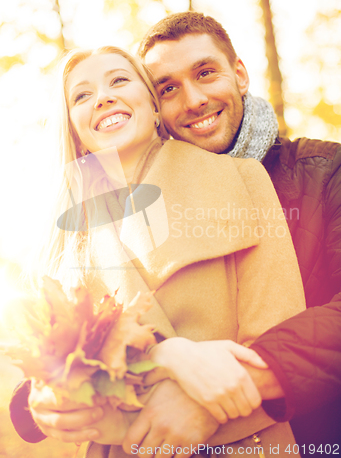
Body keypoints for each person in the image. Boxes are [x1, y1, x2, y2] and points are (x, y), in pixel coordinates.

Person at [9, 45, 306, 457]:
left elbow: (277, 341)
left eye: (119, 80)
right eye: (81, 95)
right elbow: (69, 382)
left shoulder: (241, 178)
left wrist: (185, 401)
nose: (103, 97)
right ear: (74, 128)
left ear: (153, 104)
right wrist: (165, 355)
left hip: (246, 443)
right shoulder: (64, 236)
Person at [135, 11, 341, 451]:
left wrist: (218, 394)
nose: (192, 100)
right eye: (167, 88)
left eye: (205, 73)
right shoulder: (146, 211)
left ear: (240, 75)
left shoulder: (327, 171)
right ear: (155, 110)